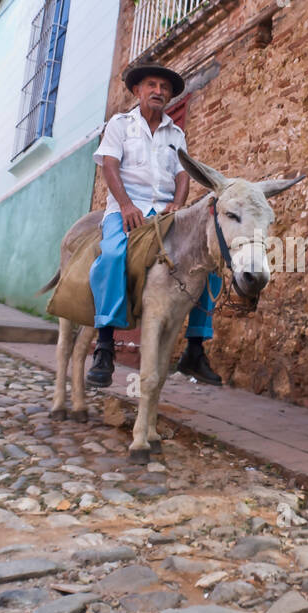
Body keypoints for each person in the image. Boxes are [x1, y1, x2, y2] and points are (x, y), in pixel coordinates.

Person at [88, 64, 222, 388]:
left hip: (165, 212)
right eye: (151, 85)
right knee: (111, 256)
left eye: (164, 87)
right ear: (138, 90)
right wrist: (125, 206)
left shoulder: (176, 133)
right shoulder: (119, 125)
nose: (158, 91)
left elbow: (182, 174)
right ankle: (105, 345)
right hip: (126, 210)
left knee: (210, 261)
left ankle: (194, 347)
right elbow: (109, 165)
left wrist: (177, 203)